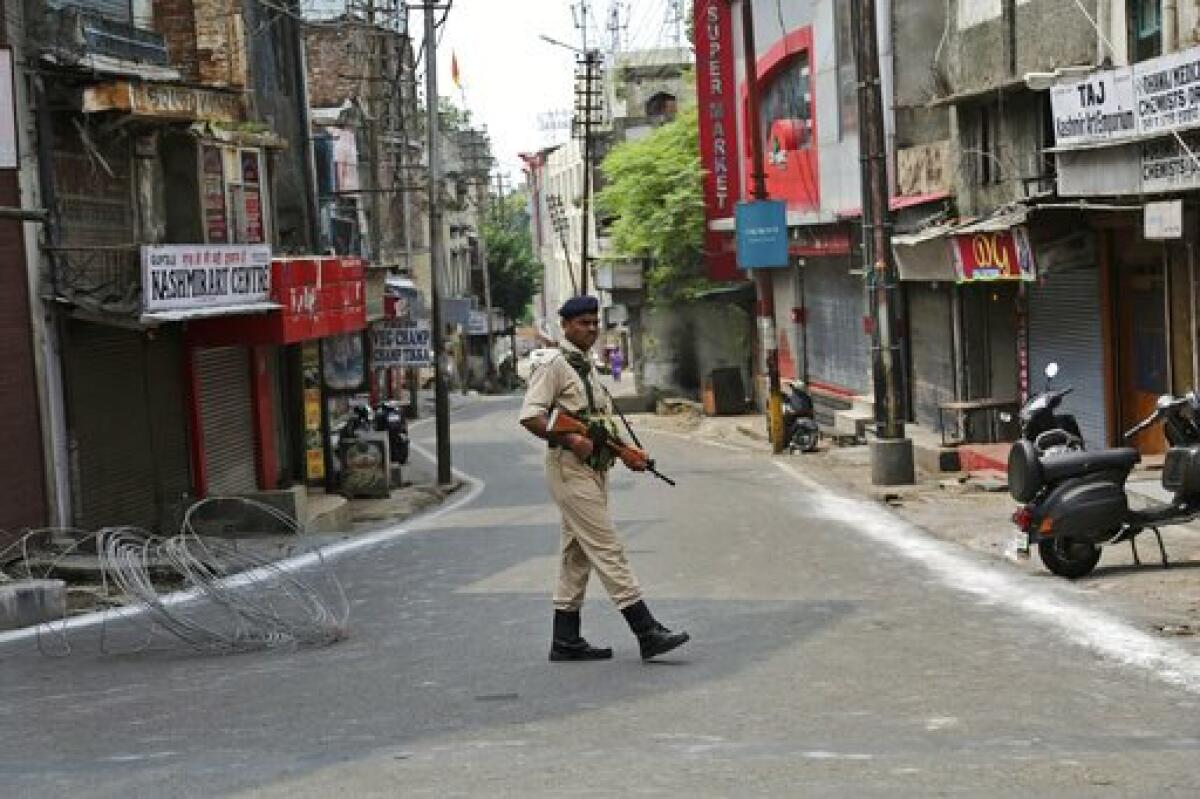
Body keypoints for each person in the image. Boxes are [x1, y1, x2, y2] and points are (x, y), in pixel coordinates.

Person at [519, 295, 690, 662]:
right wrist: (571, 439)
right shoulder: (554, 365)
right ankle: (646, 631)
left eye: (595, 323)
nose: (591, 329)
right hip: (569, 468)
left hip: (594, 468)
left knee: (576, 555)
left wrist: (627, 452)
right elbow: (532, 417)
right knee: (608, 549)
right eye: (583, 323)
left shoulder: (587, 366)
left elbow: (600, 423)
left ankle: (565, 639)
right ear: (565, 326)